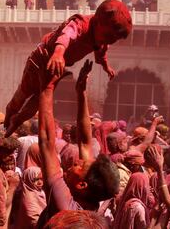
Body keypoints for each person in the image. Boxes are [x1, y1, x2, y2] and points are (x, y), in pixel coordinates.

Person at [4, 0, 132, 136]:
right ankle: (7, 119)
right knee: (22, 95)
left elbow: (101, 53)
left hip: (56, 67)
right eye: (108, 36)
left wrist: (106, 66)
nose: (109, 40)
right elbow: (67, 35)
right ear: (99, 22)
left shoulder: (101, 39)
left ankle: (16, 120)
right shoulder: (81, 24)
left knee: (39, 101)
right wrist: (58, 53)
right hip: (43, 58)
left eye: (113, 39)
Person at [36, 60, 120, 226]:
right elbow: (85, 143)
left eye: (80, 166)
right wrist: (81, 92)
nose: (77, 161)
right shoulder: (95, 203)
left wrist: (46, 88)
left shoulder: (64, 204)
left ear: (82, 184)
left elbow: (46, 141)